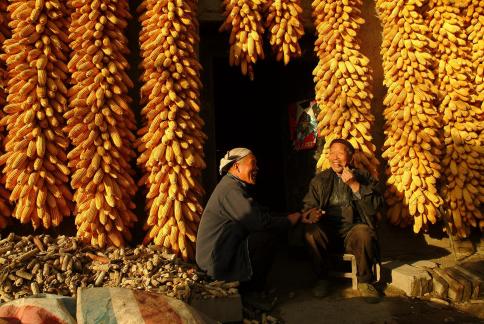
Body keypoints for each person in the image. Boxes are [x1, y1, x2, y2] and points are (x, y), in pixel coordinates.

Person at [196, 147, 312, 295]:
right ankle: (251, 290)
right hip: (215, 263)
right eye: (253, 163)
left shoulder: (234, 186)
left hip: (222, 253)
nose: (257, 168)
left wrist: (295, 216)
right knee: (267, 237)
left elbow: (262, 214)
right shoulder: (230, 189)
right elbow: (260, 222)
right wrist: (289, 221)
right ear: (236, 166)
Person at [303, 139, 384, 299]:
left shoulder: (364, 176)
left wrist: (355, 185)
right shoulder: (320, 180)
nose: (335, 157)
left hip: (352, 232)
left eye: (340, 153)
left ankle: (364, 282)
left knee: (364, 232)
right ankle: (322, 279)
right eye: (332, 153)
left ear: (351, 157)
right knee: (311, 233)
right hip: (327, 232)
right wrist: (312, 213)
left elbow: (376, 207)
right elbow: (309, 205)